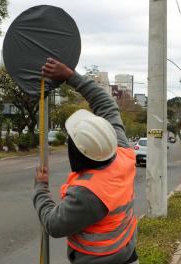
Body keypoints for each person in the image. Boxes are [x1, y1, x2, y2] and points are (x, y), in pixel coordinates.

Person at [33, 58, 138, 264]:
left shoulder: (88, 193)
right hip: (127, 255)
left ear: (77, 153)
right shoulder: (122, 152)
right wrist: (70, 76)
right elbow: (106, 103)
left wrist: (40, 189)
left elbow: (53, 225)